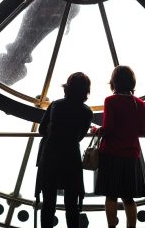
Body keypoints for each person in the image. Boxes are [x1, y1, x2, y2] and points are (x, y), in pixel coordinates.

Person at [35, 72, 93, 228]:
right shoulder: (87, 112)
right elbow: (79, 137)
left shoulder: (55, 105)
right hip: (71, 158)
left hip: (50, 156)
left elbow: (42, 130)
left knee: (48, 203)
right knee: (72, 205)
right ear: (86, 90)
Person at [93, 65, 145, 228]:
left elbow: (108, 128)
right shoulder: (139, 104)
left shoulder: (110, 101)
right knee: (128, 198)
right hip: (131, 155)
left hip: (111, 154)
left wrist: (97, 130)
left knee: (111, 197)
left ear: (114, 82)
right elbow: (144, 130)